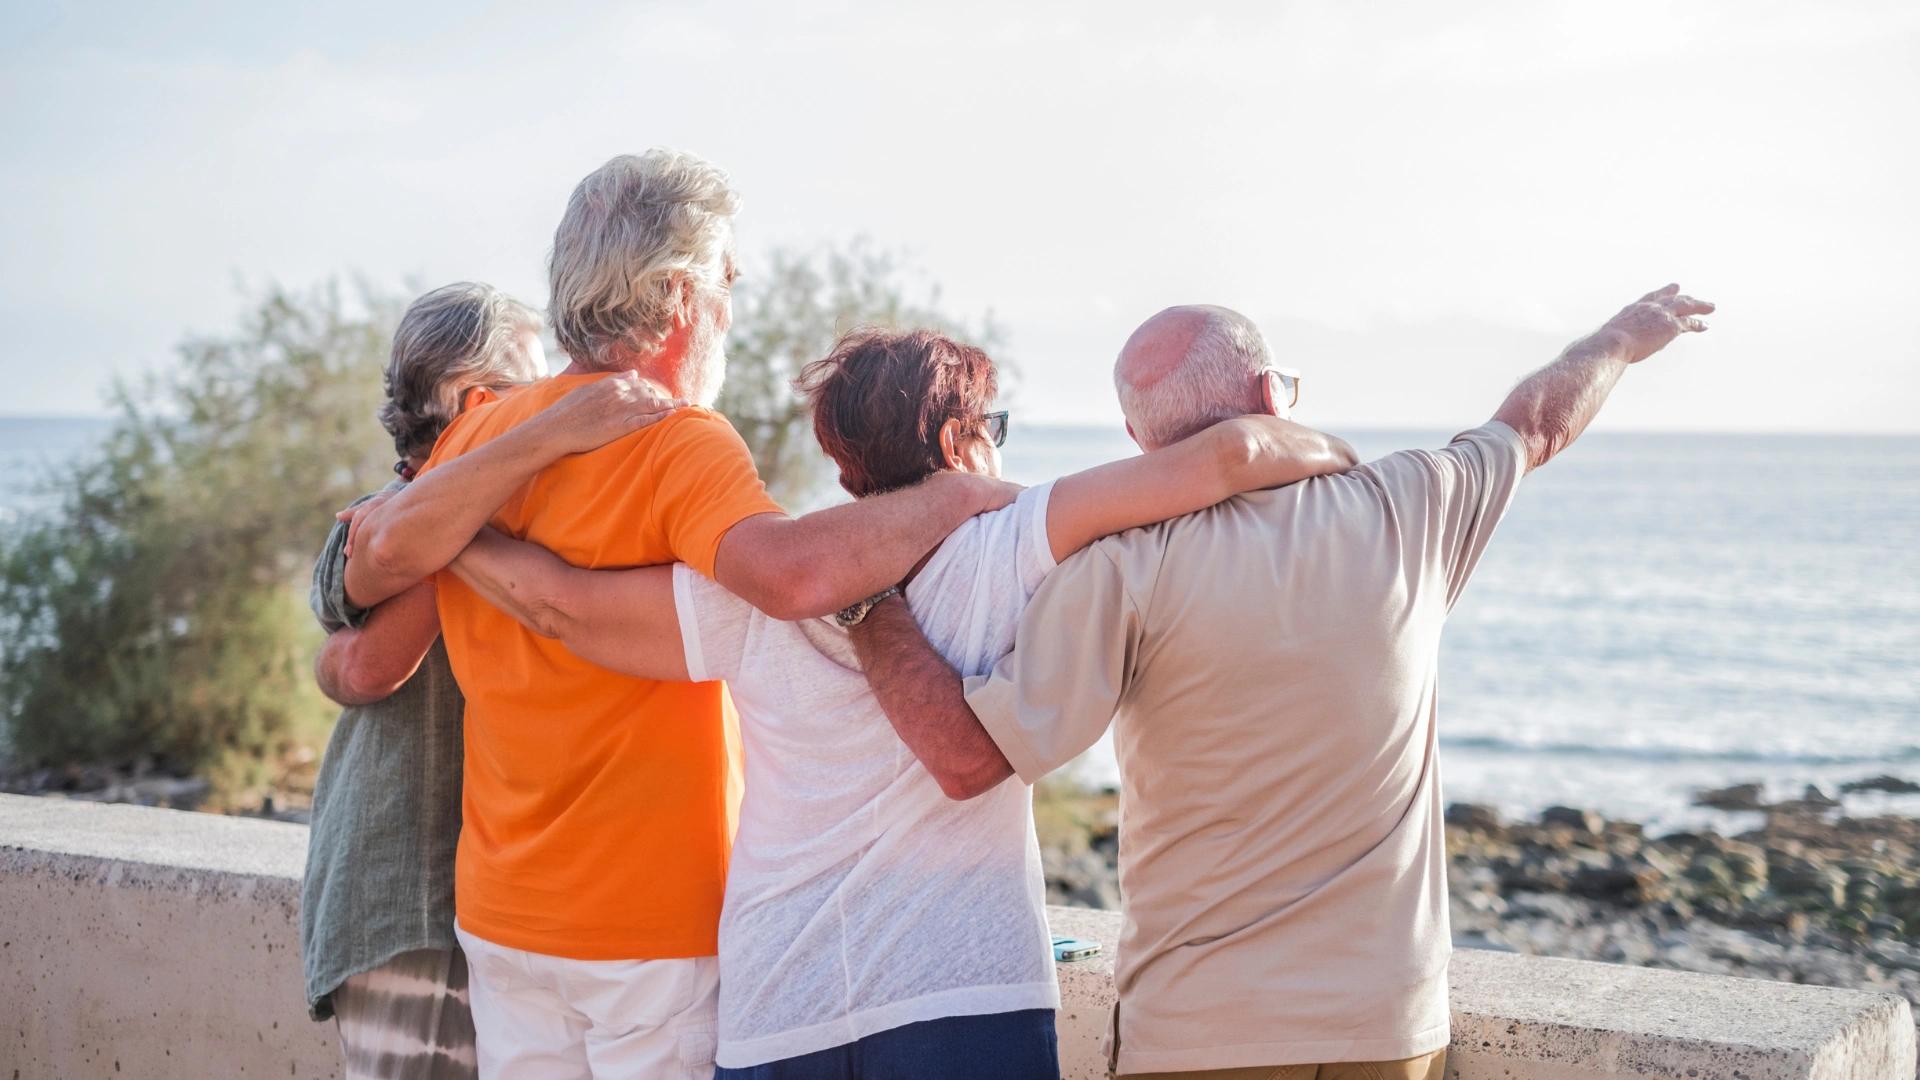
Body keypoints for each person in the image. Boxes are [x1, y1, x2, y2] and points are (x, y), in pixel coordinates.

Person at [431, 326, 1355, 1079]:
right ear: (958, 445)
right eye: (993, 424)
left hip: (779, 999)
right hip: (962, 996)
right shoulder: (1015, 540)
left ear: (846, 470)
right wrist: (1353, 465)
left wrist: (437, 521)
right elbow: (1229, 455)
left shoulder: (760, 581)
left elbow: (555, 605)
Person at [846, 286, 1715, 1080]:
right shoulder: (1405, 505)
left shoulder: (1116, 567)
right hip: (1388, 1026)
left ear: (1140, 443)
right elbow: (1537, 422)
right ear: (1272, 395)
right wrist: (1617, 340)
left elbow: (970, 759)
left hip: (1200, 1030)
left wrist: (864, 599)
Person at [333, 151, 1031, 1080]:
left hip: (503, 916)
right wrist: (960, 494)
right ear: (677, 295)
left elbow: (378, 560)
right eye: (726, 281)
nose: (730, 312)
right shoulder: (676, 440)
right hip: (648, 924)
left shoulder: (477, 434)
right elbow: (790, 576)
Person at [304, 282, 677, 1078]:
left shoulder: (440, 521)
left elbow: (349, 662)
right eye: (538, 389)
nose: (555, 401)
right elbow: (367, 660)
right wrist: (552, 434)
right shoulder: (390, 518)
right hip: (414, 901)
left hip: (486, 910)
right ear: (480, 403)